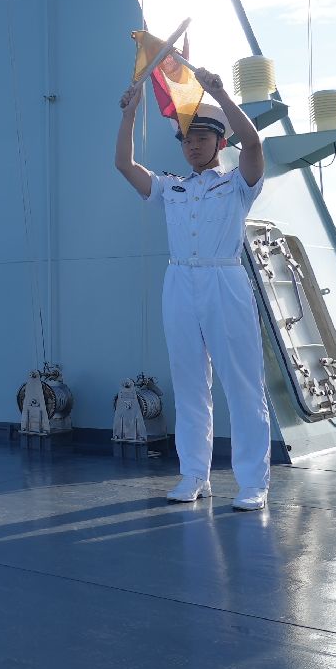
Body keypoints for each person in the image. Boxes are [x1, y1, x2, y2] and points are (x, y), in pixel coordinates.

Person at [115, 68, 270, 511]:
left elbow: (254, 145)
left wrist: (221, 94)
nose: (193, 146)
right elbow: (124, 165)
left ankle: (253, 482)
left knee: (242, 384)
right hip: (180, 281)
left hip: (225, 279)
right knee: (188, 383)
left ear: (220, 143)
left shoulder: (237, 184)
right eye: (187, 140)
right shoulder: (172, 187)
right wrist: (130, 114)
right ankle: (193, 475)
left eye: (202, 138)